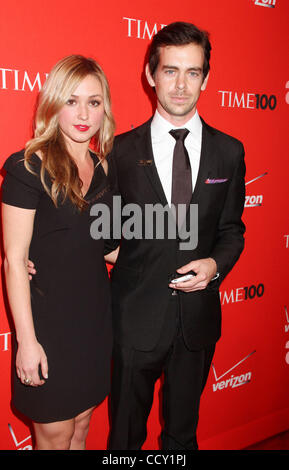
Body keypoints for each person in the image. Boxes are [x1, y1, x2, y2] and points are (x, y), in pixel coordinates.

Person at [106, 22, 246, 450]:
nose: (181, 85)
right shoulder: (120, 151)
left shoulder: (230, 151)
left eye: (193, 72)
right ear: (151, 74)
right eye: (170, 71)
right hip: (134, 320)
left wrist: (215, 264)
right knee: (125, 439)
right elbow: (104, 233)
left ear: (207, 77)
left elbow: (231, 230)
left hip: (197, 323)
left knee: (182, 438)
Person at [1, 55, 116, 450]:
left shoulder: (104, 169)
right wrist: (26, 342)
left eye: (94, 101)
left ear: (105, 108)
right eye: (71, 100)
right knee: (55, 435)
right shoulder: (27, 167)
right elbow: (14, 259)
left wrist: (169, 252)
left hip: (96, 322)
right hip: (50, 325)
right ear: (53, 104)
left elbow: (109, 248)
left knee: (82, 425)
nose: (84, 113)